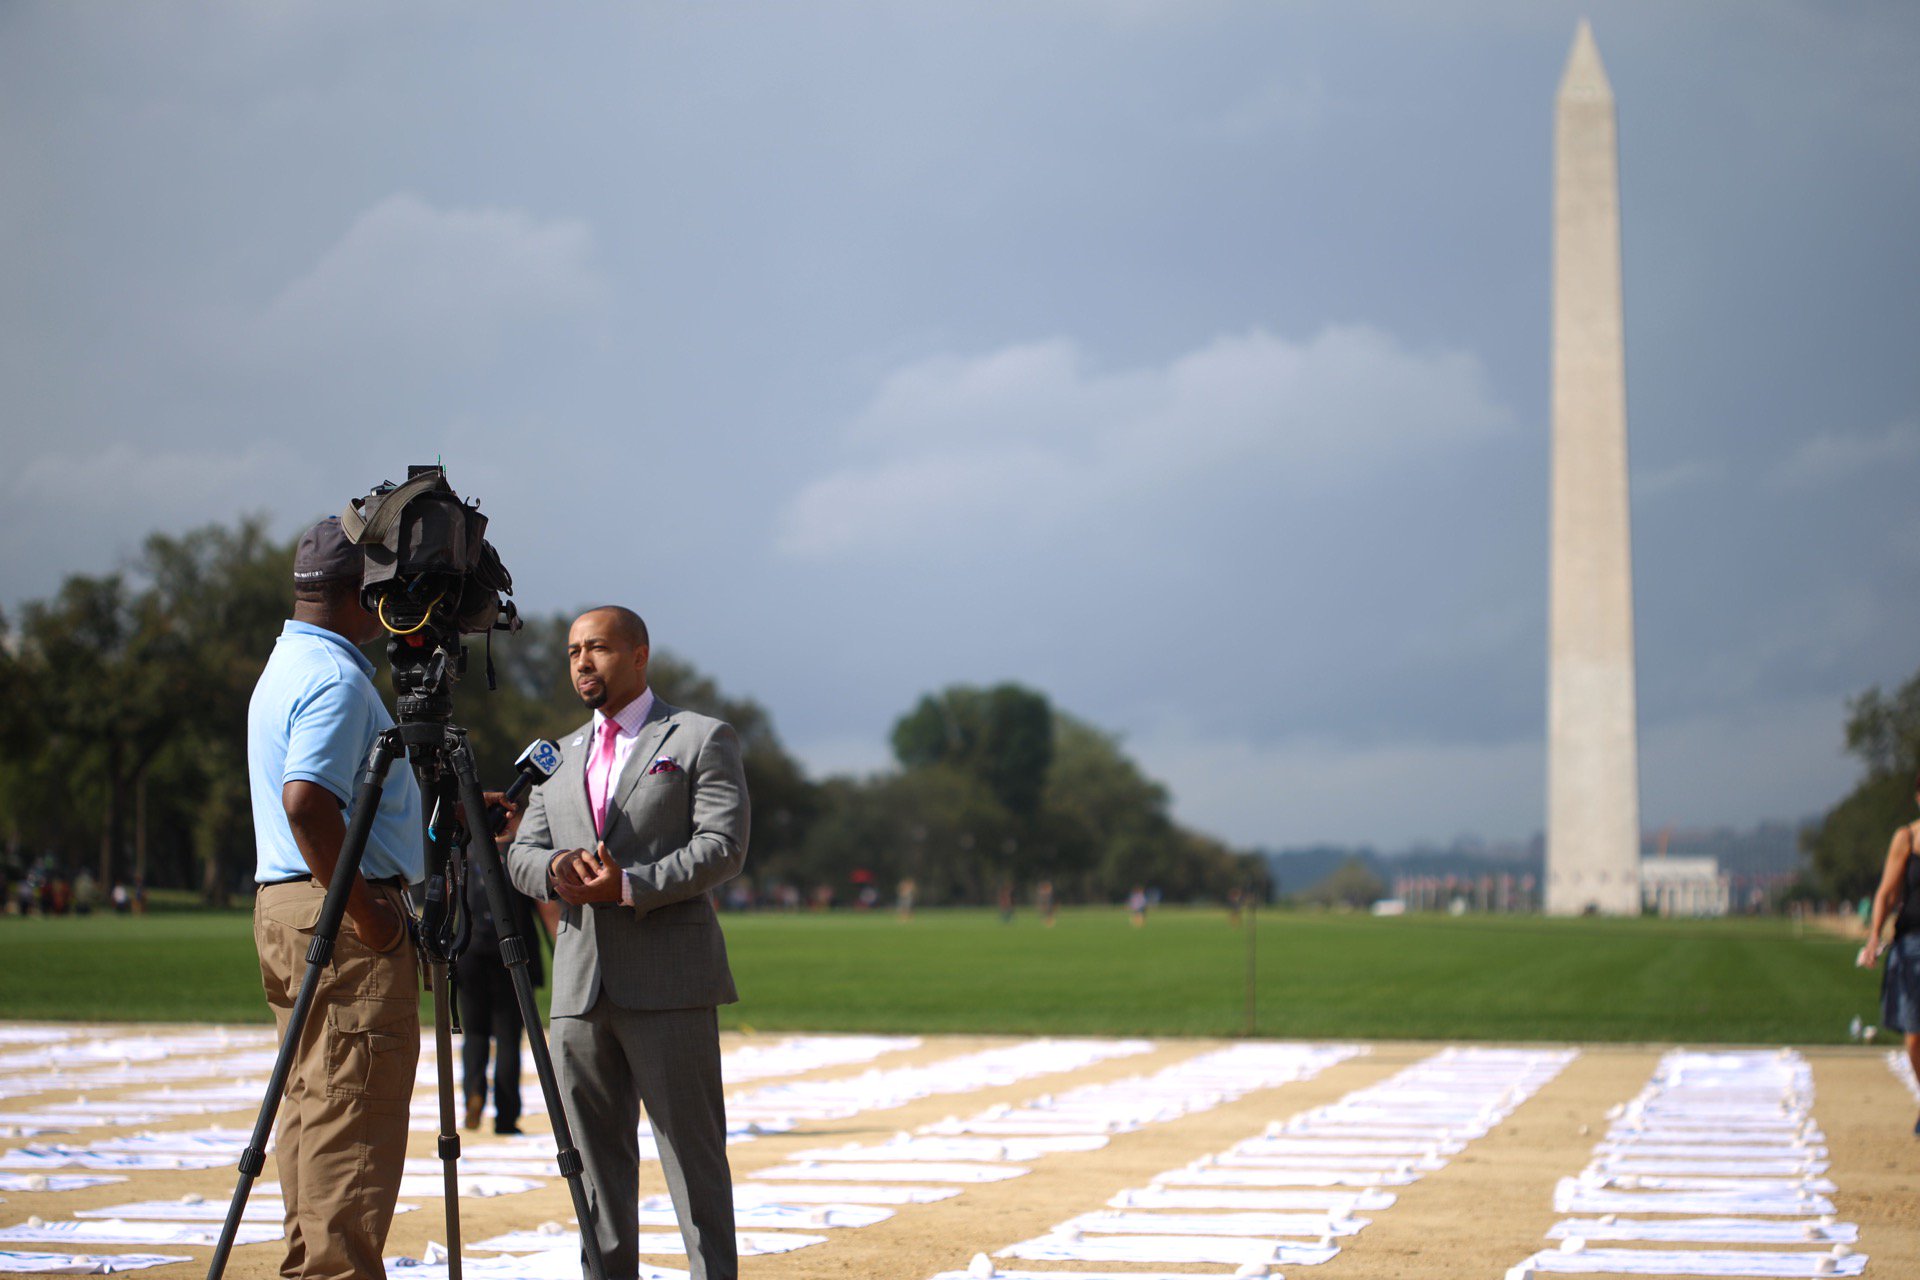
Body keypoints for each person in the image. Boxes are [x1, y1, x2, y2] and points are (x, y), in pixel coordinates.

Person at [507, 606, 749, 1280]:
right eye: (574, 650)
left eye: (600, 648)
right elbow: (522, 853)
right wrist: (553, 871)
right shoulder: (556, 758)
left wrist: (630, 884)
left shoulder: (701, 737)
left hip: (670, 983)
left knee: (693, 1162)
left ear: (639, 655)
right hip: (579, 991)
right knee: (590, 1172)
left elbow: (723, 847)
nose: (583, 661)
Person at [246, 516, 423, 1280]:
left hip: (289, 901)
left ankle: (311, 1265)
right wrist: (372, 914)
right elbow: (306, 802)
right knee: (352, 1119)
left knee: (317, 1104)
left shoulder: (287, 662)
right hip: (338, 912)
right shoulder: (338, 678)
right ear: (365, 594)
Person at [458, 830, 546, 1135]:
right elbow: (543, 906)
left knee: (476, 1033)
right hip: (513, 954)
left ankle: (473, 1092)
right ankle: (506, 1117)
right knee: (509, 1038)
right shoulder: (521, 856)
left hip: (470, 954)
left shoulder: (465, 854)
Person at [1858, 770, 1920, 1134]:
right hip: (1912, 944)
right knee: (1914, 1035)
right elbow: (1885, 893)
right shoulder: (1907, 838)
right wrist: (1873, 938)